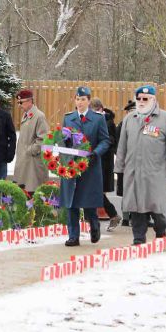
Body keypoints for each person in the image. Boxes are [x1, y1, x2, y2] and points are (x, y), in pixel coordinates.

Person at [114, 85, 166, 245]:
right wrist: (120, 169)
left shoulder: (165, 119)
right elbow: (122, 146)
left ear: (153, 99)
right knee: (136, 208)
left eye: (146, 99)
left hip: (155, 174)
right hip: (133, 173)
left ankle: (161, 230)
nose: (142, 102)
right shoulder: (130, 119)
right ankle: (138, 239)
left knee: (156, 209)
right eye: (139, 99)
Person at [61, 87, 110, 247]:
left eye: (83, 99)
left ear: (89, 101)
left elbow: (105, 140)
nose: (80, 102)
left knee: (88, 202)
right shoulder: (68, 118)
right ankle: (73, 236)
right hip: (72, 165)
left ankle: (94, 225)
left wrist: (96, 153)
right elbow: (63, 140)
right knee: (72, 202)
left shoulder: (97, 119)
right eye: (77, 99)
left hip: (90, 166)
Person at [91, 97, 121, 231]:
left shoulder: (108, 122)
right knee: (93, 191)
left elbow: (111, 141)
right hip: (92, 160)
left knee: (96, 191)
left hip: (103, 162)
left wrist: (98, 148)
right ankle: (108, 216)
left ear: (101, 109)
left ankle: (113, 214)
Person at [13, 89, 49, 194]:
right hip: (25, 162)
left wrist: (30, 150)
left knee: (34, 193)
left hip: (33, 163)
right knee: (24, 193)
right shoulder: (27, 115)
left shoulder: (39, 116)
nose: (19, 105)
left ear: (29, 101)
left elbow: (43, 138)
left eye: (21, 102)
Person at [116, 100, 136, 226]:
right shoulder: (122, 125)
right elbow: (118, 145)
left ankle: (135, 217)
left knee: (137, 191)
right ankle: (125, 217)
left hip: (138, 163)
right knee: (126, 191)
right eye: (131, 111)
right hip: (125, 163)